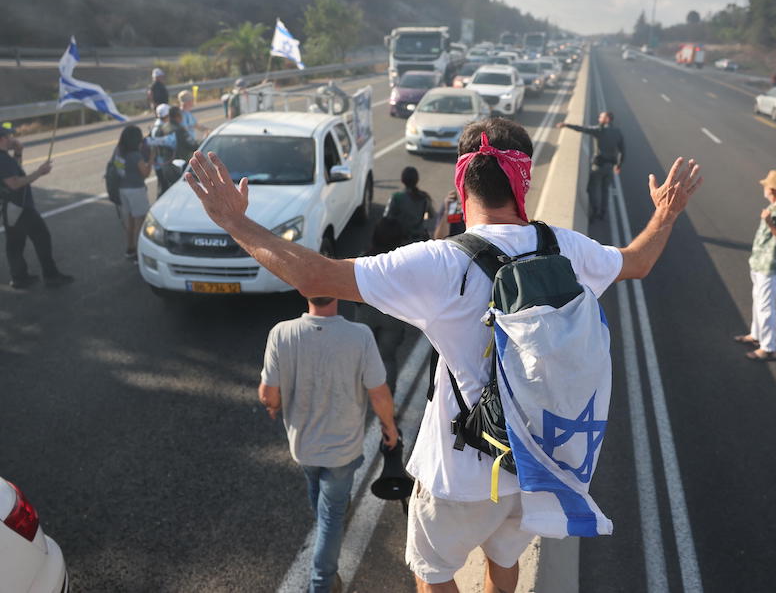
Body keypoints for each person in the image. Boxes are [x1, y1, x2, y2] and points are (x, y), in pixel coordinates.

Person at [186, 117, 701, 592]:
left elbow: (316, 276)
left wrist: (235, 222)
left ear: (462, 183)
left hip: (458, 476)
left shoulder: (439, 264)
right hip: (539, 465)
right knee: (504, 562)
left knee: (432, 573)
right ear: (522, 183)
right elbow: (637, 262)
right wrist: (666, 212)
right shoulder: (566, 247)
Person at [259, 295, 398, 593]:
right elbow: (379, 395)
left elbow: (268, 395)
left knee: (323, 504)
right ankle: (322, 585)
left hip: (304, 447)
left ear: (305, 293)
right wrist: (390, 428)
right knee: (331, 516)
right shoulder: (360, 336)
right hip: (343, 450)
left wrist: (275, 405)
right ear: (335, 293)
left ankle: (326, 558)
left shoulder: (281, 333)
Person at [734, 169, 776, 362]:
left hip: (771, 266)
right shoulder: (774, 207)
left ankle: (768, 347)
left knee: (766, 306)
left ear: (773, 189)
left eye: (766, 186)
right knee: (758, 302)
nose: (764, 189)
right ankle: (756, 335)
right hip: (760, 264)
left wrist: (770, 223)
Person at [0, 126, 73, 289]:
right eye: (9, 135)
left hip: (9, 208)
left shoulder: (5, 158)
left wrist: (18, 153)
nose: (12, 138)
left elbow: (15, 173)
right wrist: (39, 172)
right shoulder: (2, 159)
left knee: (15, 244)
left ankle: (19, 277)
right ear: (2, 139)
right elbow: (15, 183)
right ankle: (51, 276)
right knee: (42, 237)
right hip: (20, 207)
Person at [355, 218, 411, 394]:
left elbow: (353, 289)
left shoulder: (364, 259)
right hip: (392, 315)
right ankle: (389, 403)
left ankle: (358, 399)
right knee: (387, 359)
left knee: (361, 357)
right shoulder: (402, 262)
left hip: (366, 312)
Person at [557, 111, 625, 221]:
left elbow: (582, 128)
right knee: (605, 190)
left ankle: (595, 211)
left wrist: (566, 125)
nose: (599, 118)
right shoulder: (618, 132)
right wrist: (619, 165)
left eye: (601, 117)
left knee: (591, 189)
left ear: (607, 119)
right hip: (610, 167)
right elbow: (623, 151)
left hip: (598, 166)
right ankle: (603, 213)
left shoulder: (599, 130)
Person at [112, 126, 153, 261]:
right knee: (140, 223)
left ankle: (130, 248)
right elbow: (145, 173)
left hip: (122, 189)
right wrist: (152, 158)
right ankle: (140, 253)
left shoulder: (118, 151)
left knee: (130, 221)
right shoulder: (135, 155)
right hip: (136, 190)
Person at [383, 166, 435, 242]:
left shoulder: (396, 197)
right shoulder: (424, 197)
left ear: (402, 180)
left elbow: (386, 218)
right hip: (419, 240)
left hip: (400, 240)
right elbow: (432, 215)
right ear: (417, 180)